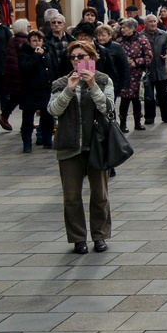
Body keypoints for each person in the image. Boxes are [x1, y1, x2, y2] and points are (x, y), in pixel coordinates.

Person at [48, 40, 115, 253]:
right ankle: (78, 238)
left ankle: (100, 236)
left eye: (82, 56)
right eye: (74, 57)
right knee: (71, 197)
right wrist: (69, 89)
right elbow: (53, 110)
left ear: (92, 58)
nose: (77, 61)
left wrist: (93, 86)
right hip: (69, 145)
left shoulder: (103, 80)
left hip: (96, 144)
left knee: (100, 195)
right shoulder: (61, 82)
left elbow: (108, 108)